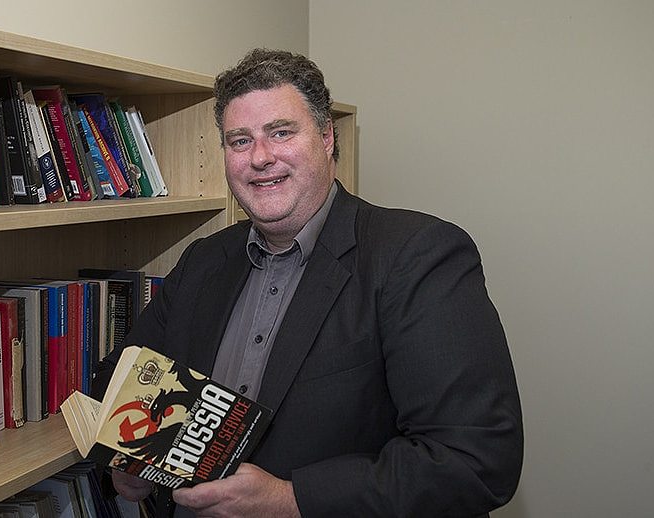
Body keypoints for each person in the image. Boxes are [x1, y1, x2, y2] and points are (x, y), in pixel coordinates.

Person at [92, 48, 523, 517]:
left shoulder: (418, 255)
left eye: (281, 133)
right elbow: (122, 379)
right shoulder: (203, 260)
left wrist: (290, 501)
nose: (260, 157)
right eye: (239, 141)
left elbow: (475, 460)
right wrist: (127, 461)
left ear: (326, 137)